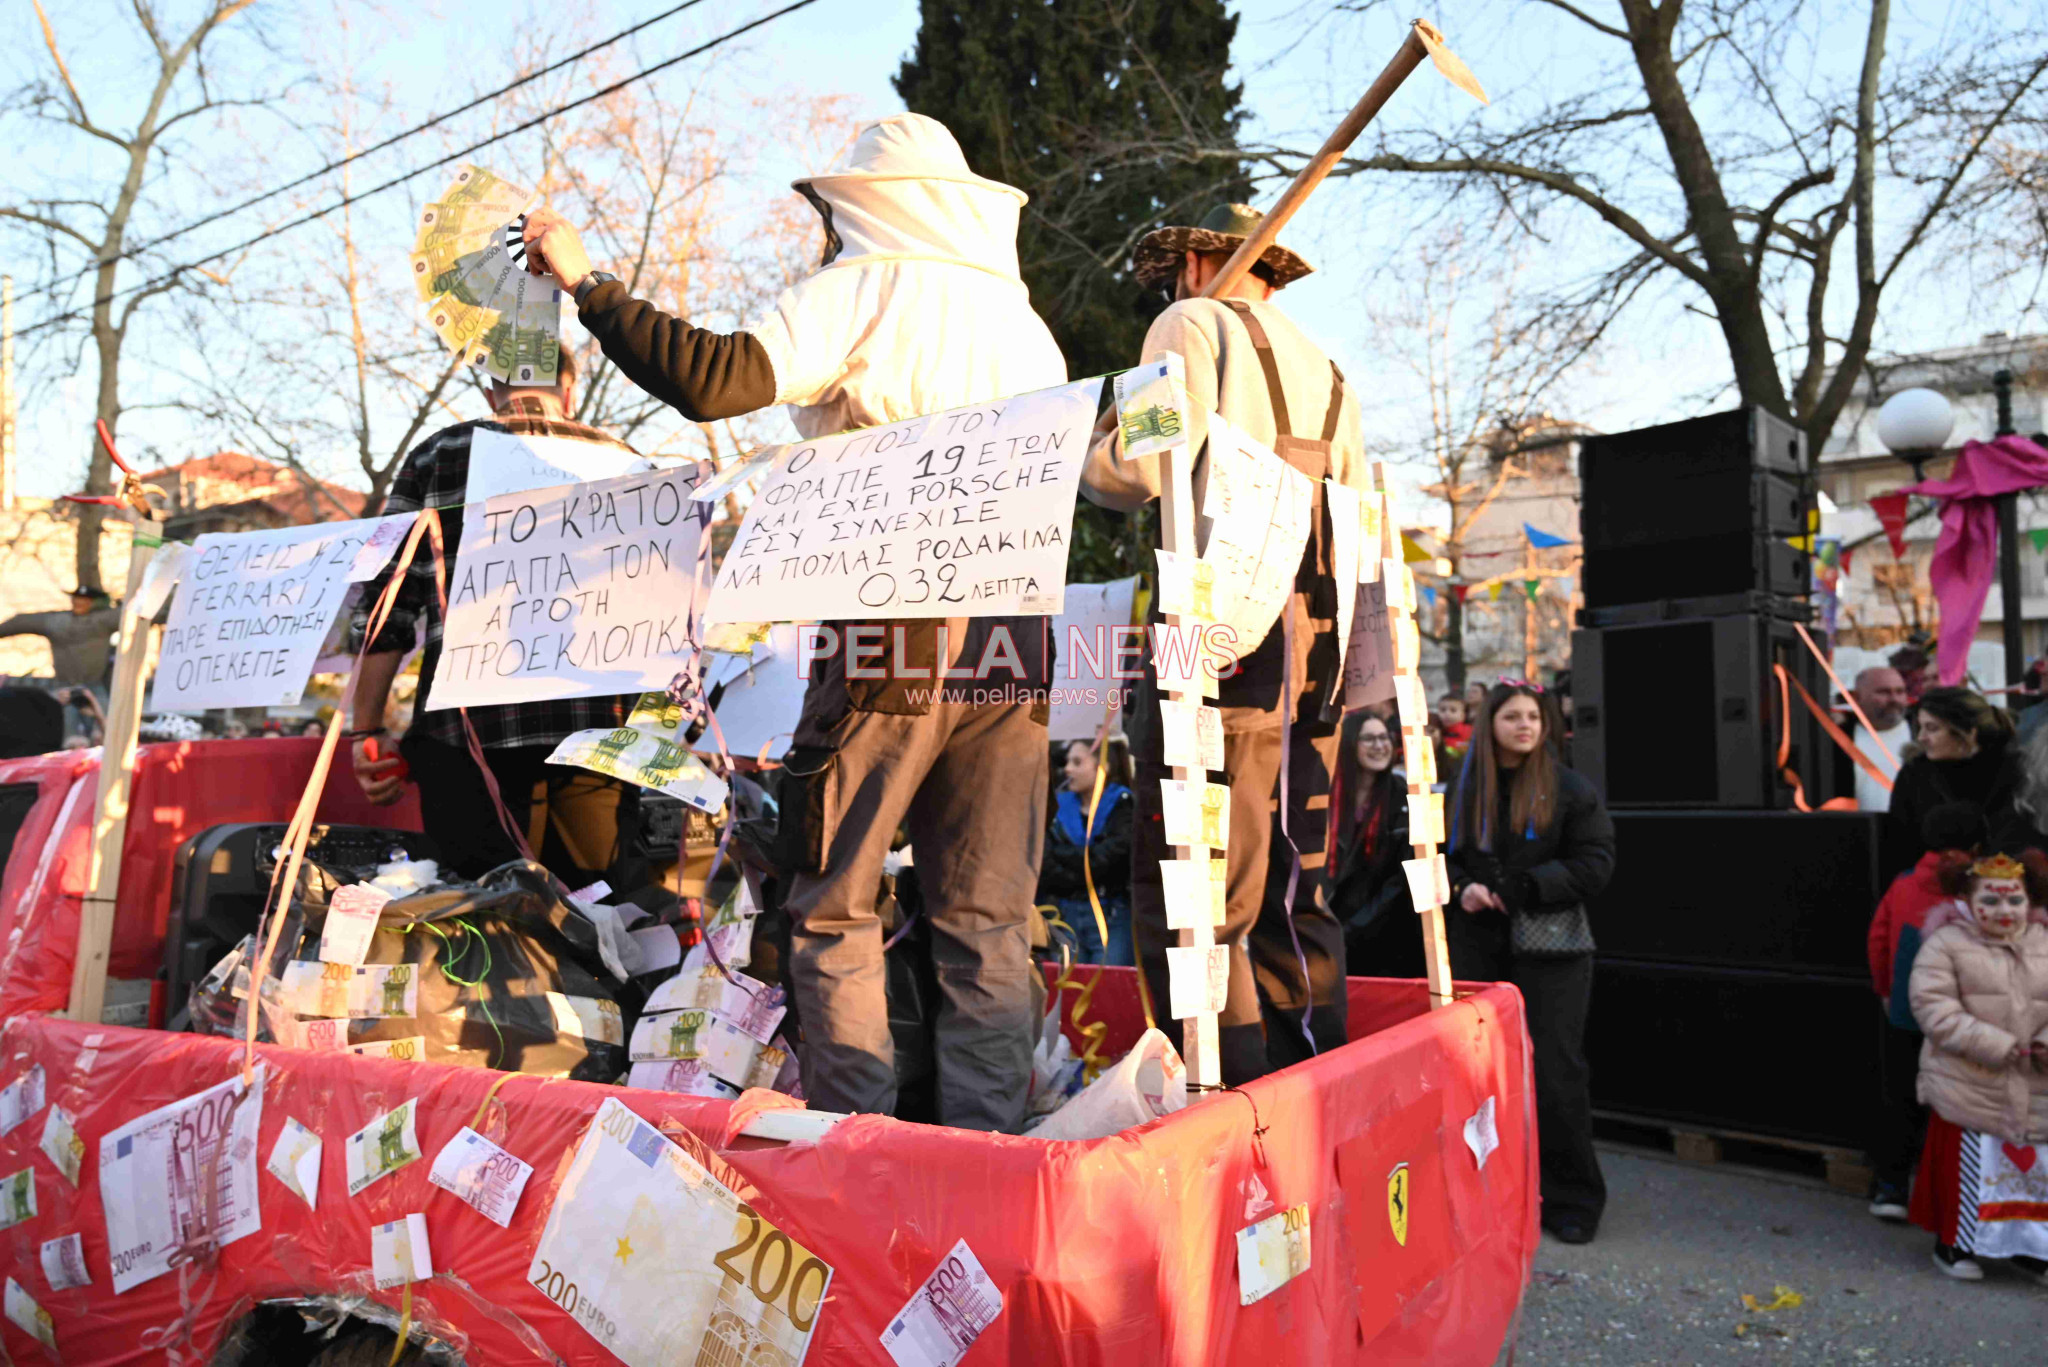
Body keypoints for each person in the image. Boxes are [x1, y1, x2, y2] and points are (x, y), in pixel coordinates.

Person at [525, 113, 1065, 1131]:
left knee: (833, 902)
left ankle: (857, 1155)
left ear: (861, 206)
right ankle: (981, 1162)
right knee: (985, 917)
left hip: (892, 625)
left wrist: (590, 287)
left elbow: (711, 378)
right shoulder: (1025, 324)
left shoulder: (866, 288)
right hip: (1014, 637)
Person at [1079, 202, 1365, 1081]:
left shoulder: (1188, 323)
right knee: (1291, 881)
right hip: (1317, 645)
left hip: (1207, 629)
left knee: (1195, 889)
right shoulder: (1333, 369)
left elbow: (1141, 463)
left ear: (1201, 267)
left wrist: (1082, 448)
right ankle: (1310, 1090)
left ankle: (1222, 1094)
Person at [348, 348, 646, 891]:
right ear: (570, 390)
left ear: (491, 393)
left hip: (464, 733)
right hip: (598, 727)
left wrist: (365, 729)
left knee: (480, 912)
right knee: (598, 908)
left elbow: (384, 605)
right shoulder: (627, 462)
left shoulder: (437, 455)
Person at [1446, 681, 1617, 1244]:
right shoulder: (1462, 791)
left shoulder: (1570, 789)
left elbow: (1596, 863)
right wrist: (1463, 885)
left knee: (1554, 1072)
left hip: (1553, 952)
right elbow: (1433, 857)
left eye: (1534, 717)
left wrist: (1527, 886)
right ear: (1491, 721)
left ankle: (1573, 1199)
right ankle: (1493, 1190)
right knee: (1478, 1075)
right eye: (1513, 716)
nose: (1525, 726)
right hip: (1479, 947)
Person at [1906, 849, 2048, 1281]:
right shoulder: (1944, 945)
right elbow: (1932, 1007)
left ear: (2030, 901)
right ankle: (1954, 1244)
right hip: (1968, 1080)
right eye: (1990, 900)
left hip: (2036, 1084)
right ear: (1967, 901)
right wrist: (1994, 1043)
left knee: (2037, 1172)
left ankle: (2030, 1247)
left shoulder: (2044, 941)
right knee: (1972, 1169)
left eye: (2014, 900)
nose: (2003, 911)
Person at [1865, 803, 1987, 1222]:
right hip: (1966, 1018)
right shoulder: (1984, 890)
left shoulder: (1903, 884)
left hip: (1907, 1010)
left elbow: (1878, 939)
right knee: (1958, 1104)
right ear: (1976, 845)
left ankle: (1890, 1188)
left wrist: (1885, 990)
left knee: (1900, 1096)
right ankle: (1956, 1199)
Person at [1887, 687, 2020, 877]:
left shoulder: (2013, 771)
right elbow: (1900, 843)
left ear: (1968, 732)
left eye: (1932, 728)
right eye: (1920, 727)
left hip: (2002, 888)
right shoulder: (1915, 773)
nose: (1921, 737)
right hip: (1930, 885)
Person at [1329, 711, 1417, 977]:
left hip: (1383, 930)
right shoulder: (1327, 793)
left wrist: (1355, 927)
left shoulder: (1402, 794)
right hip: (1332, 921)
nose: (1379, 746)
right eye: (1368, 739)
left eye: (1383, 738)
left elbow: (1401, 876)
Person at [1037, 739, 1135, 965]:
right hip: (1067, 913)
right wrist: (1086, 863)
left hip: (1109, 914)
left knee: (1108, 988)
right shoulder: (1057, 807)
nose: (1067, 769)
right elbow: (1046, 863)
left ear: (1103, 767)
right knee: (1070, 988)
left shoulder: (1122, 805)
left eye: (1077, 762)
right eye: (1067, 761)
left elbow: (1109, 861)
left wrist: (1065, 853)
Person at [1849, 666, 1912, 813]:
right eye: (1883, 692)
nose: (1894, 699)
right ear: (1857, 698)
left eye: (1900, 691)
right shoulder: (1838, 738)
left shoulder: (1923, 733)